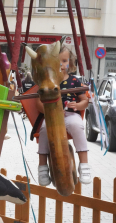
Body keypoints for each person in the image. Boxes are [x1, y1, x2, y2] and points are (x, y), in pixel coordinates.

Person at [36, 45, 91, 185]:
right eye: (57, 62)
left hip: (70, 114)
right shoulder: (46, 81)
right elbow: (38, 104)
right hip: (51, 117)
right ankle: (42, 166)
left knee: (77, 125)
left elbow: (85, 101)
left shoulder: (74, 81)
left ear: (70, 63)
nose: (61, 64)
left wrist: (77, 106)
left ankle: (84, 165)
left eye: (65, 61)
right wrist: (50, 110)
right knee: (43, 130)